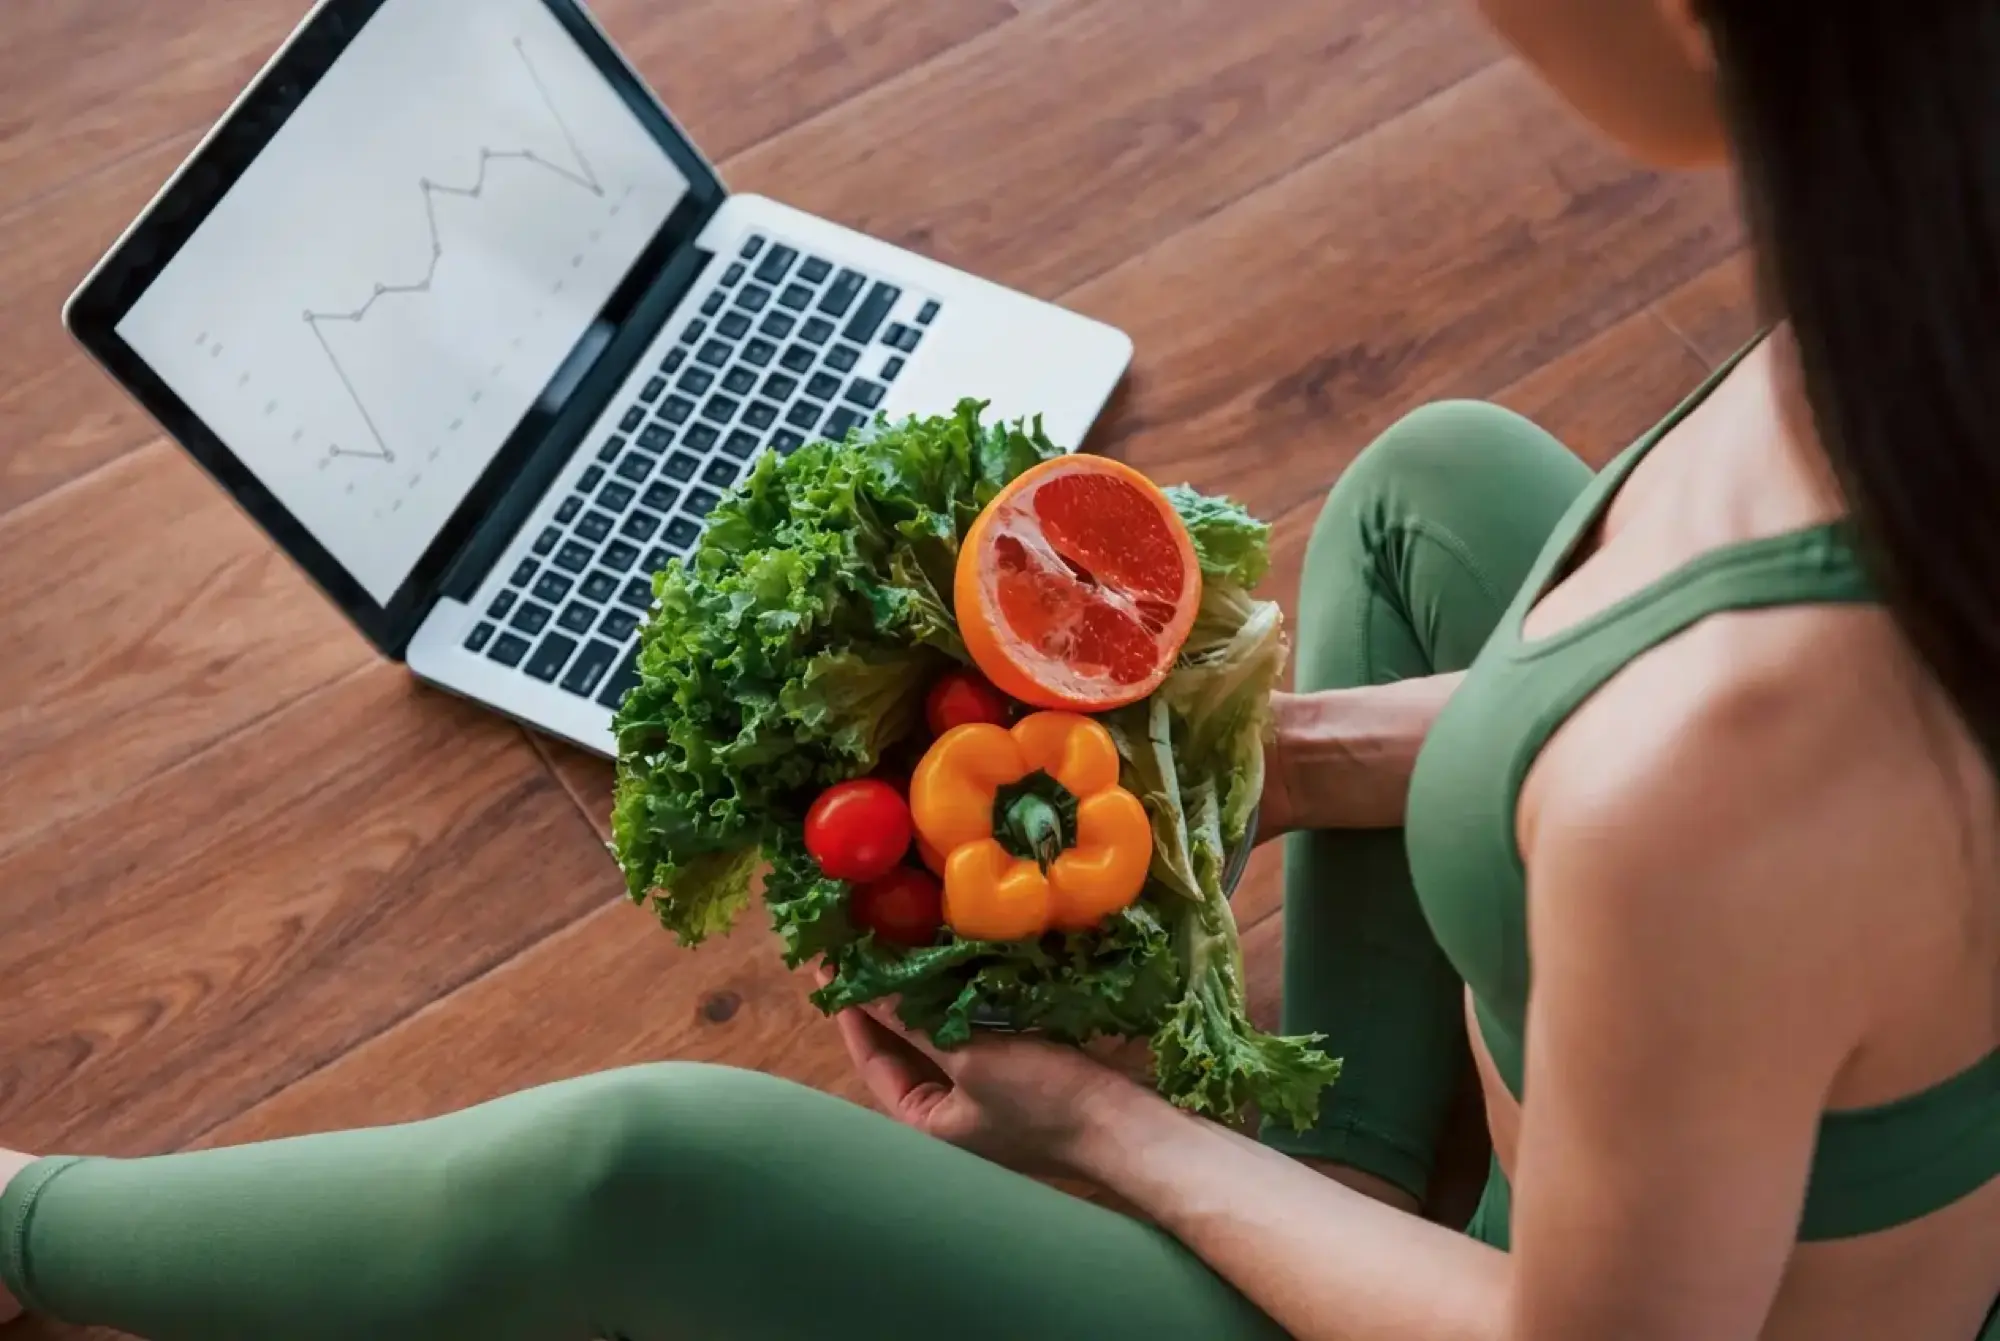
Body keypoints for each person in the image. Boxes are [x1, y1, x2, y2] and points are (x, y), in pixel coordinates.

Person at [5, 0, 1999, 1336]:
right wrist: (1261, 759)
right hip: (1748, 1072)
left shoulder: (1712, 781)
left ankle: (22, 1220)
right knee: (1438, 482)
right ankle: (1345, 1169)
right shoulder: (1933, 293)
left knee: (641, 1162)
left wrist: (1111, 1136)